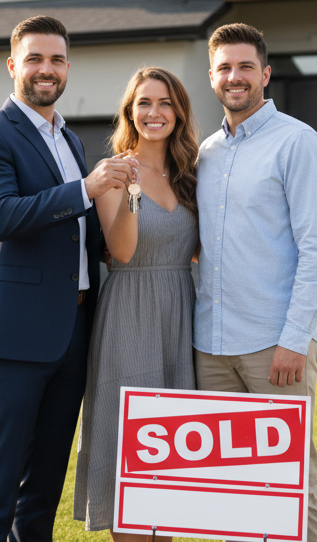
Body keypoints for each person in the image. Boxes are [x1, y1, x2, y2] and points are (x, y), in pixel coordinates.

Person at [0, 15, 136, 542]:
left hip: (74, 332)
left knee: (44, 485)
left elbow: (76, 234)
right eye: (34, 58)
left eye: (56, 59)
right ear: (13, 65)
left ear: (68, 67)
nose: (46, 69)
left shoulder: (70, 140)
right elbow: (2, 216)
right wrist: (86, 188)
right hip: (12, 334)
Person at [194, 23, 317, 542]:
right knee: (232, 486)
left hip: (274, 347)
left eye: (245, 67)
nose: (235, 77)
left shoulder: (298, 142)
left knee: (291, 480)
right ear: (212, 76)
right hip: (210, 348)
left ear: (266, 74)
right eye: (225, 68)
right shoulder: (205, 153)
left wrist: (294, 339)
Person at [73, 67, 200, 540]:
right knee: (129, 444)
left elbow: (197, 248)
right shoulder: (114, 172)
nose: (154, 112)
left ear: (179, 112)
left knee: (170, 450)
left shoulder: (189, 174)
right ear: (130, 111)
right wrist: (130, 190)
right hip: (130, 314)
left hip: (180, 316)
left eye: (165, 102)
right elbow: (122, 252)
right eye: (144, 102)